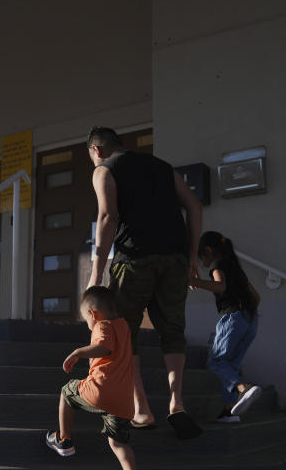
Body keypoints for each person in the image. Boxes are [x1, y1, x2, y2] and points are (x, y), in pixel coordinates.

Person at [85, 126, 203, 439]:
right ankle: (177, 404)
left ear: (97, 150)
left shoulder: (103, 169)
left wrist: (96, 273)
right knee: (173, 330)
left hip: (133, 259)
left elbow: (108, 217)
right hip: (175, 259)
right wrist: (192, 257)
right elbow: (194, 207)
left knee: (125, 334)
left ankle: (142, 410)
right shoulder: (164, 168)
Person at [45, 286, 149, 470]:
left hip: (100, 391)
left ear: (92, 314)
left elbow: (103, 347)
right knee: (119, 443)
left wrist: (77, 352)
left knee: (67, 391)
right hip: (123, 400)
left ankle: (64, 440)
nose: (88, 324)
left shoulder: (102, 325)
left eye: (86, 320)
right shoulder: (124, 326)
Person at [189, 231, 264, 422]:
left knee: (216, 362)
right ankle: (230, 411)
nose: (203, 262)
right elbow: (256, 298)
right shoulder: (237, 269)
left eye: (202, 257)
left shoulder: (217, 265)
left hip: (233, 318)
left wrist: (196, 282)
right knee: (230, 365)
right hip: (251, 319)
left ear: (208, 251)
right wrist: (245, 313)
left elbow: (220, 287)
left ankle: (243, 388)